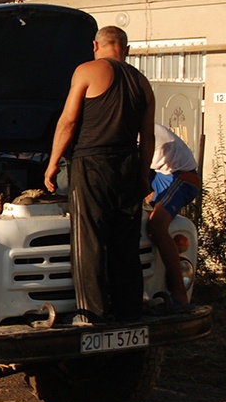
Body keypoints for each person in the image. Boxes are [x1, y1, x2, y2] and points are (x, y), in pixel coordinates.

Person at [44, 25, 155, 325]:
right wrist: (143, 175)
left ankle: (91, 314)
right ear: (126, 49)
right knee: (125, 243)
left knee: (89, 240)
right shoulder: (143, 83)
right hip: (129, 165)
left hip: (92, 163)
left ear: (96, 46)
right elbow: (147, 137)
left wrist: (53, 162)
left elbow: (68, 121)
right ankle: (129, 312)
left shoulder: (87, 71)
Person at [147, 123, 201, 306]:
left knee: (157, 226)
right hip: (158, 173)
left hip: (181, 176)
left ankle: (179, 293)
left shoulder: (136, 128)